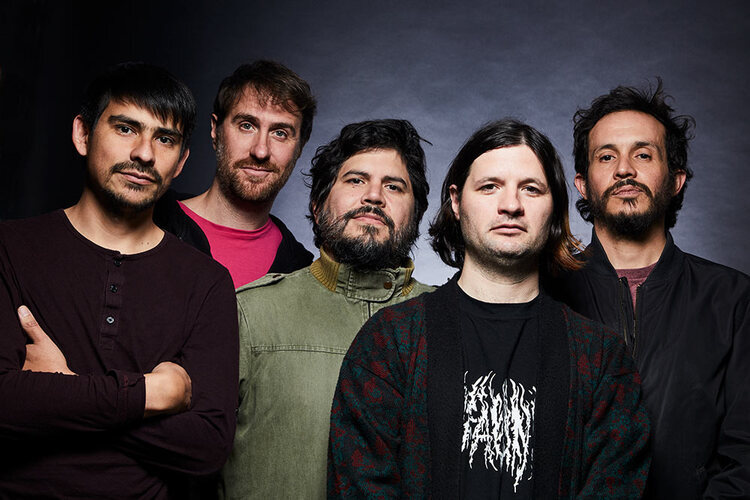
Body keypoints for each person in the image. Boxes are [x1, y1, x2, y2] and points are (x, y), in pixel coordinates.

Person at [328, 119, 651, 498]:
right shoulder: (390, 341)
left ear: (554, 209)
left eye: (531, 189)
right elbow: (361, 487)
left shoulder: (602, 358)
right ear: (456, 201)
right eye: (489, 186)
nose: (511, 205)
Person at [0, 63, 238, 498]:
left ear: (181, 161)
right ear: (83, 134)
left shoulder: (207, 282)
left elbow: (206, 447)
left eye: (165, 139)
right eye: (126, 128)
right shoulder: (9, 248)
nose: (145, 153)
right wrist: (151, 394)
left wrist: (64, 386)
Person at [547, 80, 750, 498]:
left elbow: (745, 455)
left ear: (675, 180)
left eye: (643, 154)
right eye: (607, 156)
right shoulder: (543, 292)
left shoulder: (732, 299)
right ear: (582, 183)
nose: (624, 169)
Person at [218, 119, 434, 499]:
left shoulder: (449, 322)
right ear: (317, 208)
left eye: (393, 186)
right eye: (356, 180)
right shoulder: (249, 314)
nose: (374, 196)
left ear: (415, 215)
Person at [154, 60, 316, 288]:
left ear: (300, 146)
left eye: (280, 133)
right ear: (215, 130)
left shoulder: (301, 271)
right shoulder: (151, 220)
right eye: (247, 125)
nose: (261, 151)